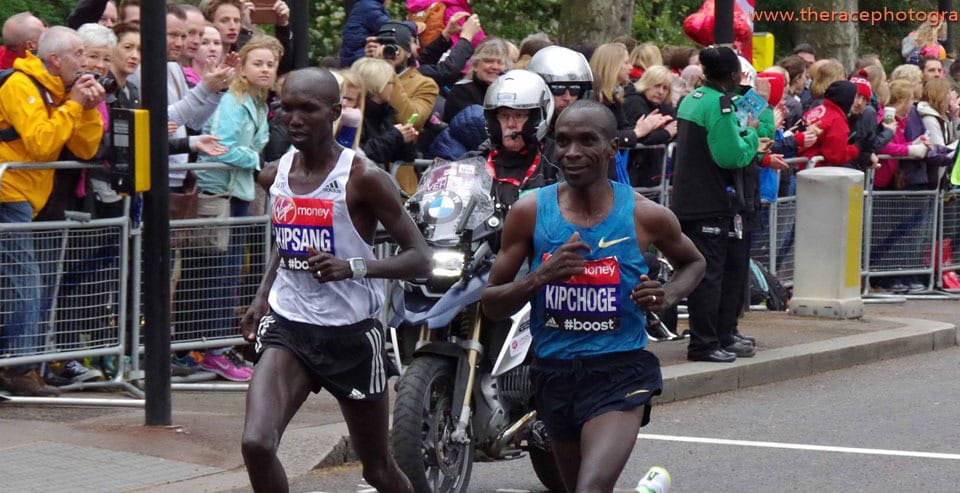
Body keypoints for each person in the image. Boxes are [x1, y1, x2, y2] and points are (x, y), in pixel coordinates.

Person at [480, 99, 705, 493]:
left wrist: (666, 296)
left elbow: (694, 263)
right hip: (554, 374)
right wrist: (540, 277)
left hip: (619, 372)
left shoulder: (644, 214)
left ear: (611, 147)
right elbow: (492, 303)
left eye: (587, 141)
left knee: (590, 488)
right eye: (563, 141)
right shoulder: (530, 212)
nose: (571, 152)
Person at [239, 67, 429, 493]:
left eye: (307, 109)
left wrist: (354, 267)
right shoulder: (275, 174)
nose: (294, 119)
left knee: (377, 469)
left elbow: (421, 259)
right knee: (256, 443)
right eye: (286, 108)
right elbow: (284, 242)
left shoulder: (363, 178)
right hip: (290, 328)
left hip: (351, 338)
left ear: (335, 112)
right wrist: (263, 295)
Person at [0, 26, 105, 396]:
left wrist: (88, 110)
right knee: (25, 283)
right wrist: (74, 104)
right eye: (78, 53)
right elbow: (42, 144)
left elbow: (86, 149)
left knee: (25, 284)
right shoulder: (20, 84)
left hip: (30, 200)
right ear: (55, 59)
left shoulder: (60, 90)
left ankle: (16, 365)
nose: (85, 60)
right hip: (7, 194)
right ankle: (19, 369)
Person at [671, 46, 768, 363]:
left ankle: (717, 337)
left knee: (711, 272)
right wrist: (752, 137)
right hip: (711, 201)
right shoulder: (720, 104)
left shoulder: (693, 98)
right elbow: (731, 155)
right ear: (732, 76)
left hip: (689, 199)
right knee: (711, 274)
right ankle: (705, 343)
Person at [351, 57, 418, 166]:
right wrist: (394, 137)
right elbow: (361, 155)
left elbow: (405, 158)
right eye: (391, 83)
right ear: (378, 84)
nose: (394, 88)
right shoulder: (353, 114)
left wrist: (405, 139)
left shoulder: (384, 112)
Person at [442, 36, 510, 122]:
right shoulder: (462, 91)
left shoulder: (507, 93)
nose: (495, 67)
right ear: (475, 65)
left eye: (500, 62)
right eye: (488, 61)